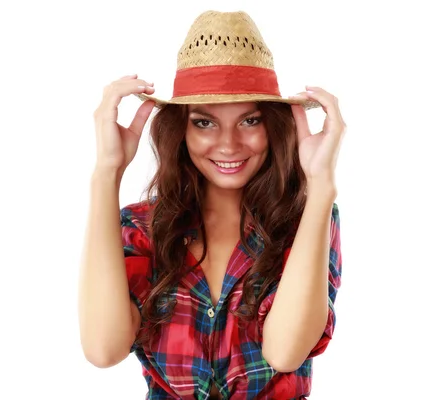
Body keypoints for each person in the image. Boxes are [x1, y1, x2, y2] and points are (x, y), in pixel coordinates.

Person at [78, 9, 346, 400]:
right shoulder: (142, 228)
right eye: (204, 122)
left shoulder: (305, 220)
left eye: (249, 121)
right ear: (180, 129)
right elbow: (103, 349)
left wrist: (321, 186)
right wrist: (107, 172)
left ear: (273, 125)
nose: (228, 144)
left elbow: (286, 352)